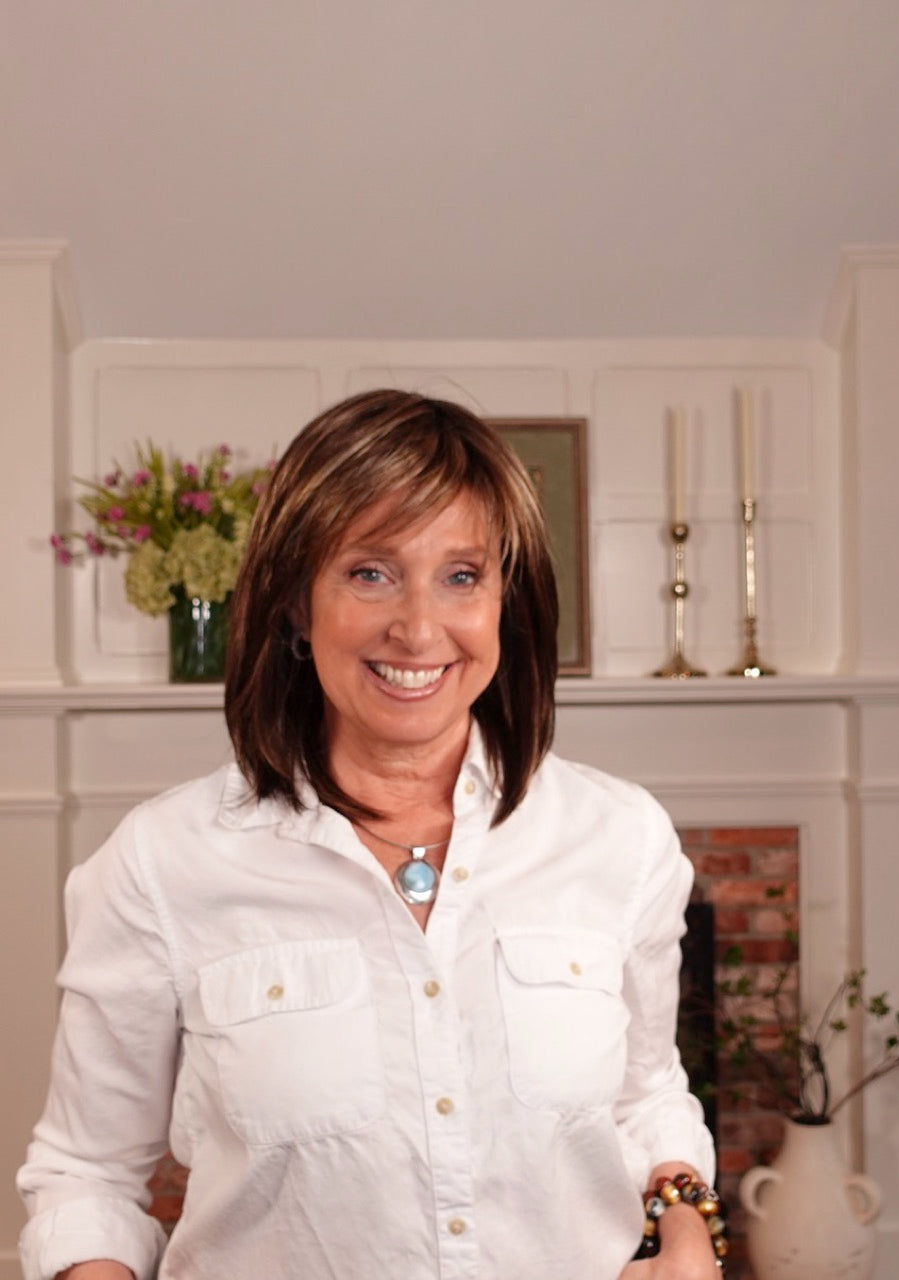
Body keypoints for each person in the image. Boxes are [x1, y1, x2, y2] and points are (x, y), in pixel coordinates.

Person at [18, 389, 723, 1279]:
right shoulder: (161, 861)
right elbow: (86, 1174)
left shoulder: (620, 838)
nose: (418, 628)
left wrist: (687, 1228)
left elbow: (646, 1098)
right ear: (294, 603)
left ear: (505, 602)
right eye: (370, 572)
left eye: (461, 576)